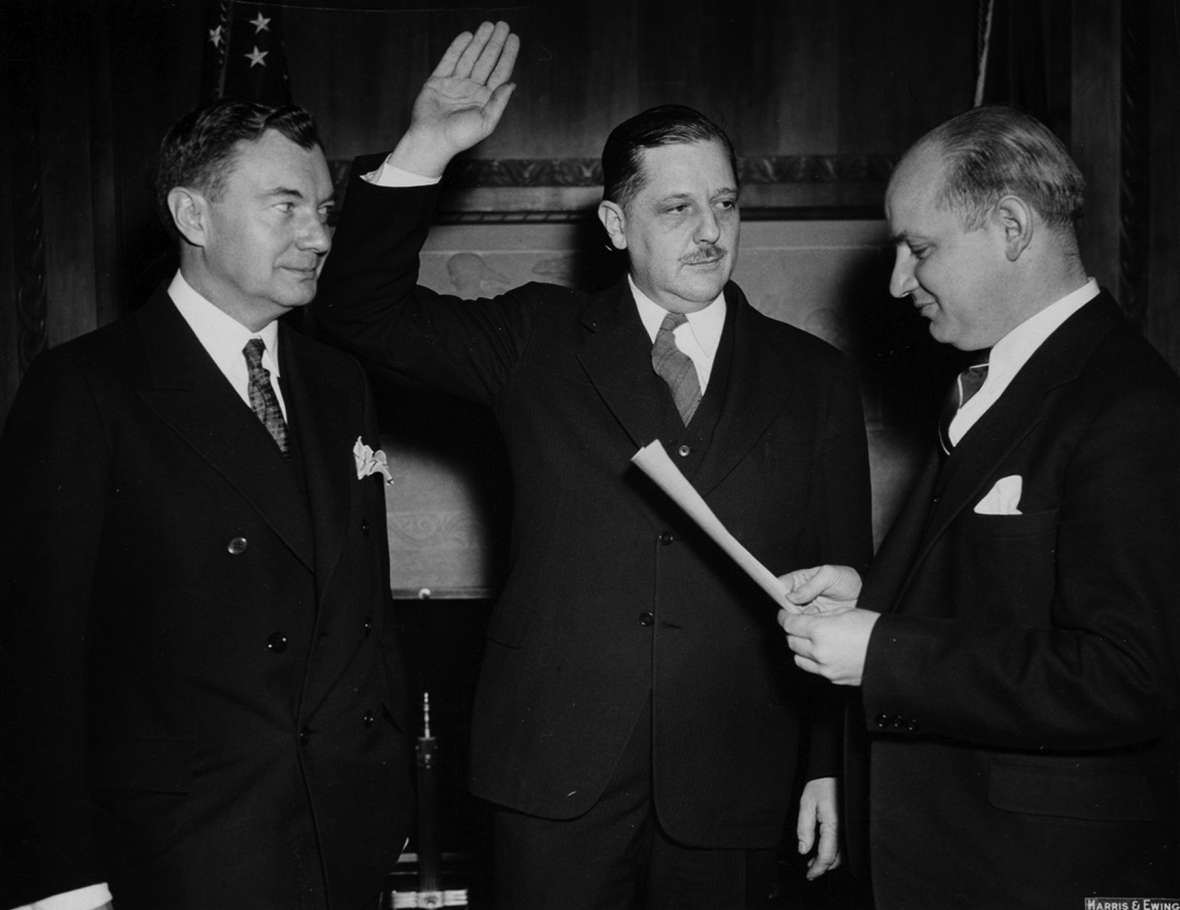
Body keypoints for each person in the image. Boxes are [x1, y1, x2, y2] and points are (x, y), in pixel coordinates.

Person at [315, 21, 872, 909]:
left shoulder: (814, 377)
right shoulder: (534, 339)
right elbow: (357, 310)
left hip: (738, 782)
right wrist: (427, 148)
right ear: (614, 223)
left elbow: (850, 582)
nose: (709, 232)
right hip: (552, 782)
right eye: (676, 207)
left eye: (725, 204)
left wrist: (829, 769)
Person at [0, 100, 413, 910]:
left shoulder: (340, 385)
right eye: (285, 207)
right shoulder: (87, 387)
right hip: (180, 859)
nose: (320, 237)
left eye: (324, 212)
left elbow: (366, 613)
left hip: (344, 844)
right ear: (193, 213)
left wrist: (385, 796)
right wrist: (63, 883)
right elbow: (32, 660)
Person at [779, 105, 1180, 909]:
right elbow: (1007, 599)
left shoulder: (1129, 406)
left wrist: (884, 652)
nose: (897, 282)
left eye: (919, 250)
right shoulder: (995, 382)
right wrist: (874, 598)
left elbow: (1128, 676)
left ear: (1010, 226)